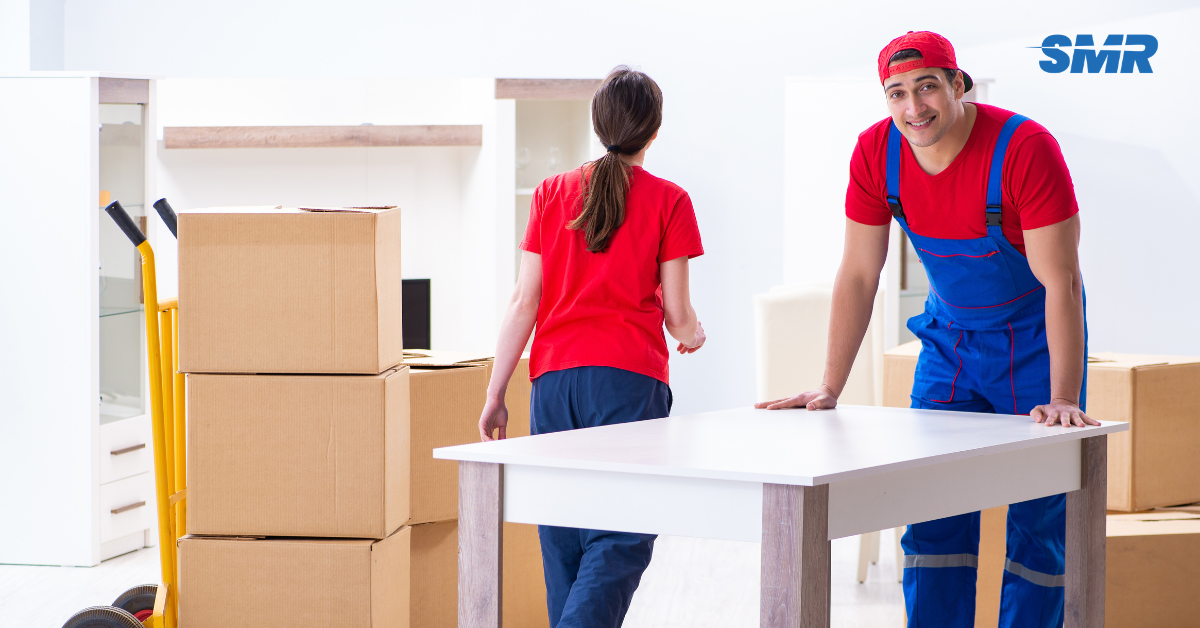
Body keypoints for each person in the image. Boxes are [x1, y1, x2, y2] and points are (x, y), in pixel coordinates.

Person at [756, 31, 1097, 628]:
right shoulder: (875, 154)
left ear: (958, 84)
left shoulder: (1023, 148)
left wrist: (1064, 396)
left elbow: (1060, 283)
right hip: (949, 346)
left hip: (1035, 345)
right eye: (897, 93)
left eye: (928, 87)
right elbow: (860, 275)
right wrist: (829, 385)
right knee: (932, 511)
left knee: (1039, 523)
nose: (914, 107)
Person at [477, 66, 706, 628]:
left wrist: (495, 390)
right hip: (627, 383)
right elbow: (677, 317)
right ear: (654, 131)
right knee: (622, 535)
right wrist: (693, 333)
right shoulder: (669, 200)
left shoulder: (551, 193)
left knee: (563, 537)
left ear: (598, 123)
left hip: (553, 382)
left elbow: (523, 302)